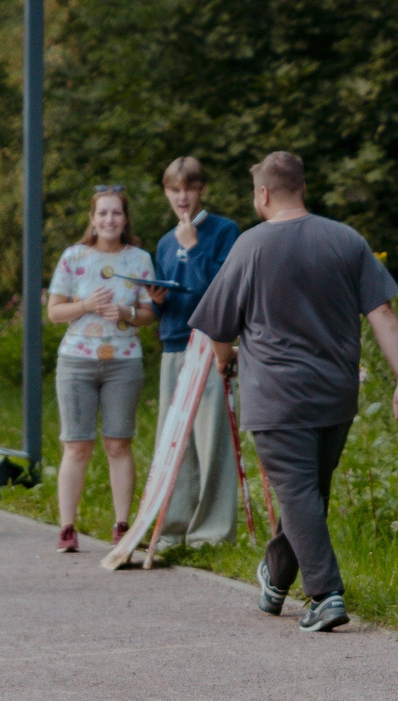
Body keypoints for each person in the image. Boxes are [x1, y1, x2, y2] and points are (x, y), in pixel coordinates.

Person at [189, 150, 398, 634]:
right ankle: (276, 581)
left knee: (297, 494)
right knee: (307, 494)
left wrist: (223, 358)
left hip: (276, 395)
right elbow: (383, 314)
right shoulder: (346, 239)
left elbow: (218, 324)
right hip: (335, 394)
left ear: (263, 193)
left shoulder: (250, 247)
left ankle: (326, 595)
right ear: (303, 188)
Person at [48, 186, 157, 551]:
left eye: (116, 213)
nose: (109, 220)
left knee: (117, 443)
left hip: (123, 362)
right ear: (92, 220)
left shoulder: (140, 259)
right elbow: (53, 312)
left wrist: (126, 313)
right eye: (103, 213)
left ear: (125, 220)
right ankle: (67, 527)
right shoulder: (74, 257)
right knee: (76, 446)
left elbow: (147, 314)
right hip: (77, 360)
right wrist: (86, 304)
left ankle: (122, 525)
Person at [153, 156, 242, 548]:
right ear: (167, 193)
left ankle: (211, 534)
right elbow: (175, 299)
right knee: (174, 441)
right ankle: (173, 528)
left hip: (211, 346)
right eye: (175, 189)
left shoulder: (225, 231)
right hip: (174, 346)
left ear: (202, 189)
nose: (182, 197)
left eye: (189, 188)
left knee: (212, 441)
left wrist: (193, 250)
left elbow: (224, 292)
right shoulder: (163, 242)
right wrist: (155, 301)